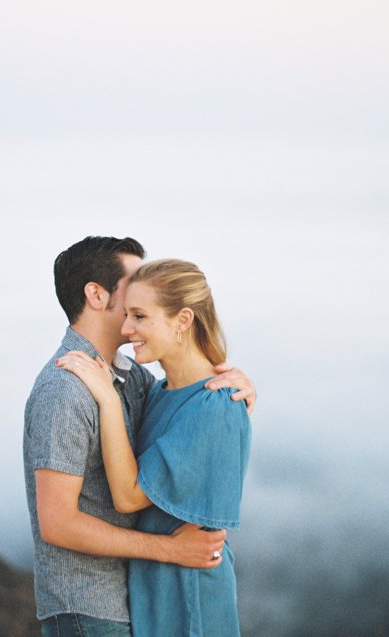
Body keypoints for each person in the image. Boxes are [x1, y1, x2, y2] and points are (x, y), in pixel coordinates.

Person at [23, 236, 255, 637]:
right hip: (87, 608)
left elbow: (194, 407)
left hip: (134, 605)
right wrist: (170, 550)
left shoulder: (135, 381)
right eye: (133, 284)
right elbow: (57, 524)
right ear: (96, 295)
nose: (144, 286)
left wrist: (239, 390)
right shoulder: (65, 389)